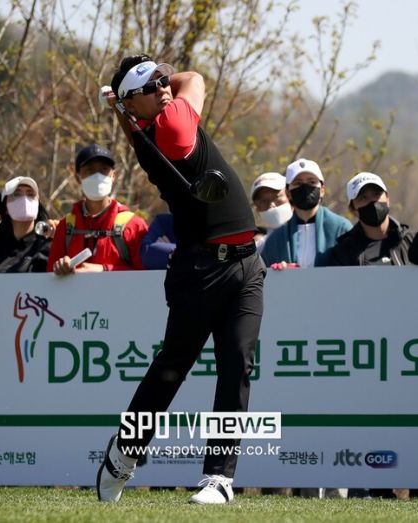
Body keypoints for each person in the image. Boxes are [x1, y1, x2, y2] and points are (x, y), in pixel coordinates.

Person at [96, 54, 265, 505]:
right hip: (201, 270)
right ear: (133, 106)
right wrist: (167, 77)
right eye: (150, 87)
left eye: (161, 81)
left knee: (236, 366)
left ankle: (219, 478)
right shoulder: (171, 125)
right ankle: (124, 452)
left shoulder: (152, 119)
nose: (162, 89)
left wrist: (138, 92)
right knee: (172, 368)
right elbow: (195, 77)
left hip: (247, 265)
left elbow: (169, 90)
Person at [47, 144, 148, 274]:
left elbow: (147, 276)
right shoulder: (65, 227)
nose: (97, 176)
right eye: (90, 170)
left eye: (104, 170)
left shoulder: (133, 225)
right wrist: (60, 267)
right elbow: (50, 278)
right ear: (78, 177)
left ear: (113, 176)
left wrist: (104, 270)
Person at [261, 158, 351, 269]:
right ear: (288, 193)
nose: (305, 188)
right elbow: (263, 273)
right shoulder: (276, 239)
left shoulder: (341, 229)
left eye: (312, 182)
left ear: (322, 190)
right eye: (298, 183)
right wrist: (279, 272)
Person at [327, 172, 414, 266]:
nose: (372, 201)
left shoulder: (411, 241)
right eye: (363, 197)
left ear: (387, 198)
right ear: (352, 209)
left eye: (377, 194)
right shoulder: (343, 253)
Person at [0, 176, 51, 273]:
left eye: (30, 194)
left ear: (38, 203)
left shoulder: (49, 243)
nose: (25, 200)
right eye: (17, 194)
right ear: (5, 206)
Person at [250, 171, 292, 252]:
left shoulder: (311, 231)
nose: (271, 205)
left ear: (289, 195)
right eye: (264, 201)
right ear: (257, 209)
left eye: (276, 197)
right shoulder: (259, 249)